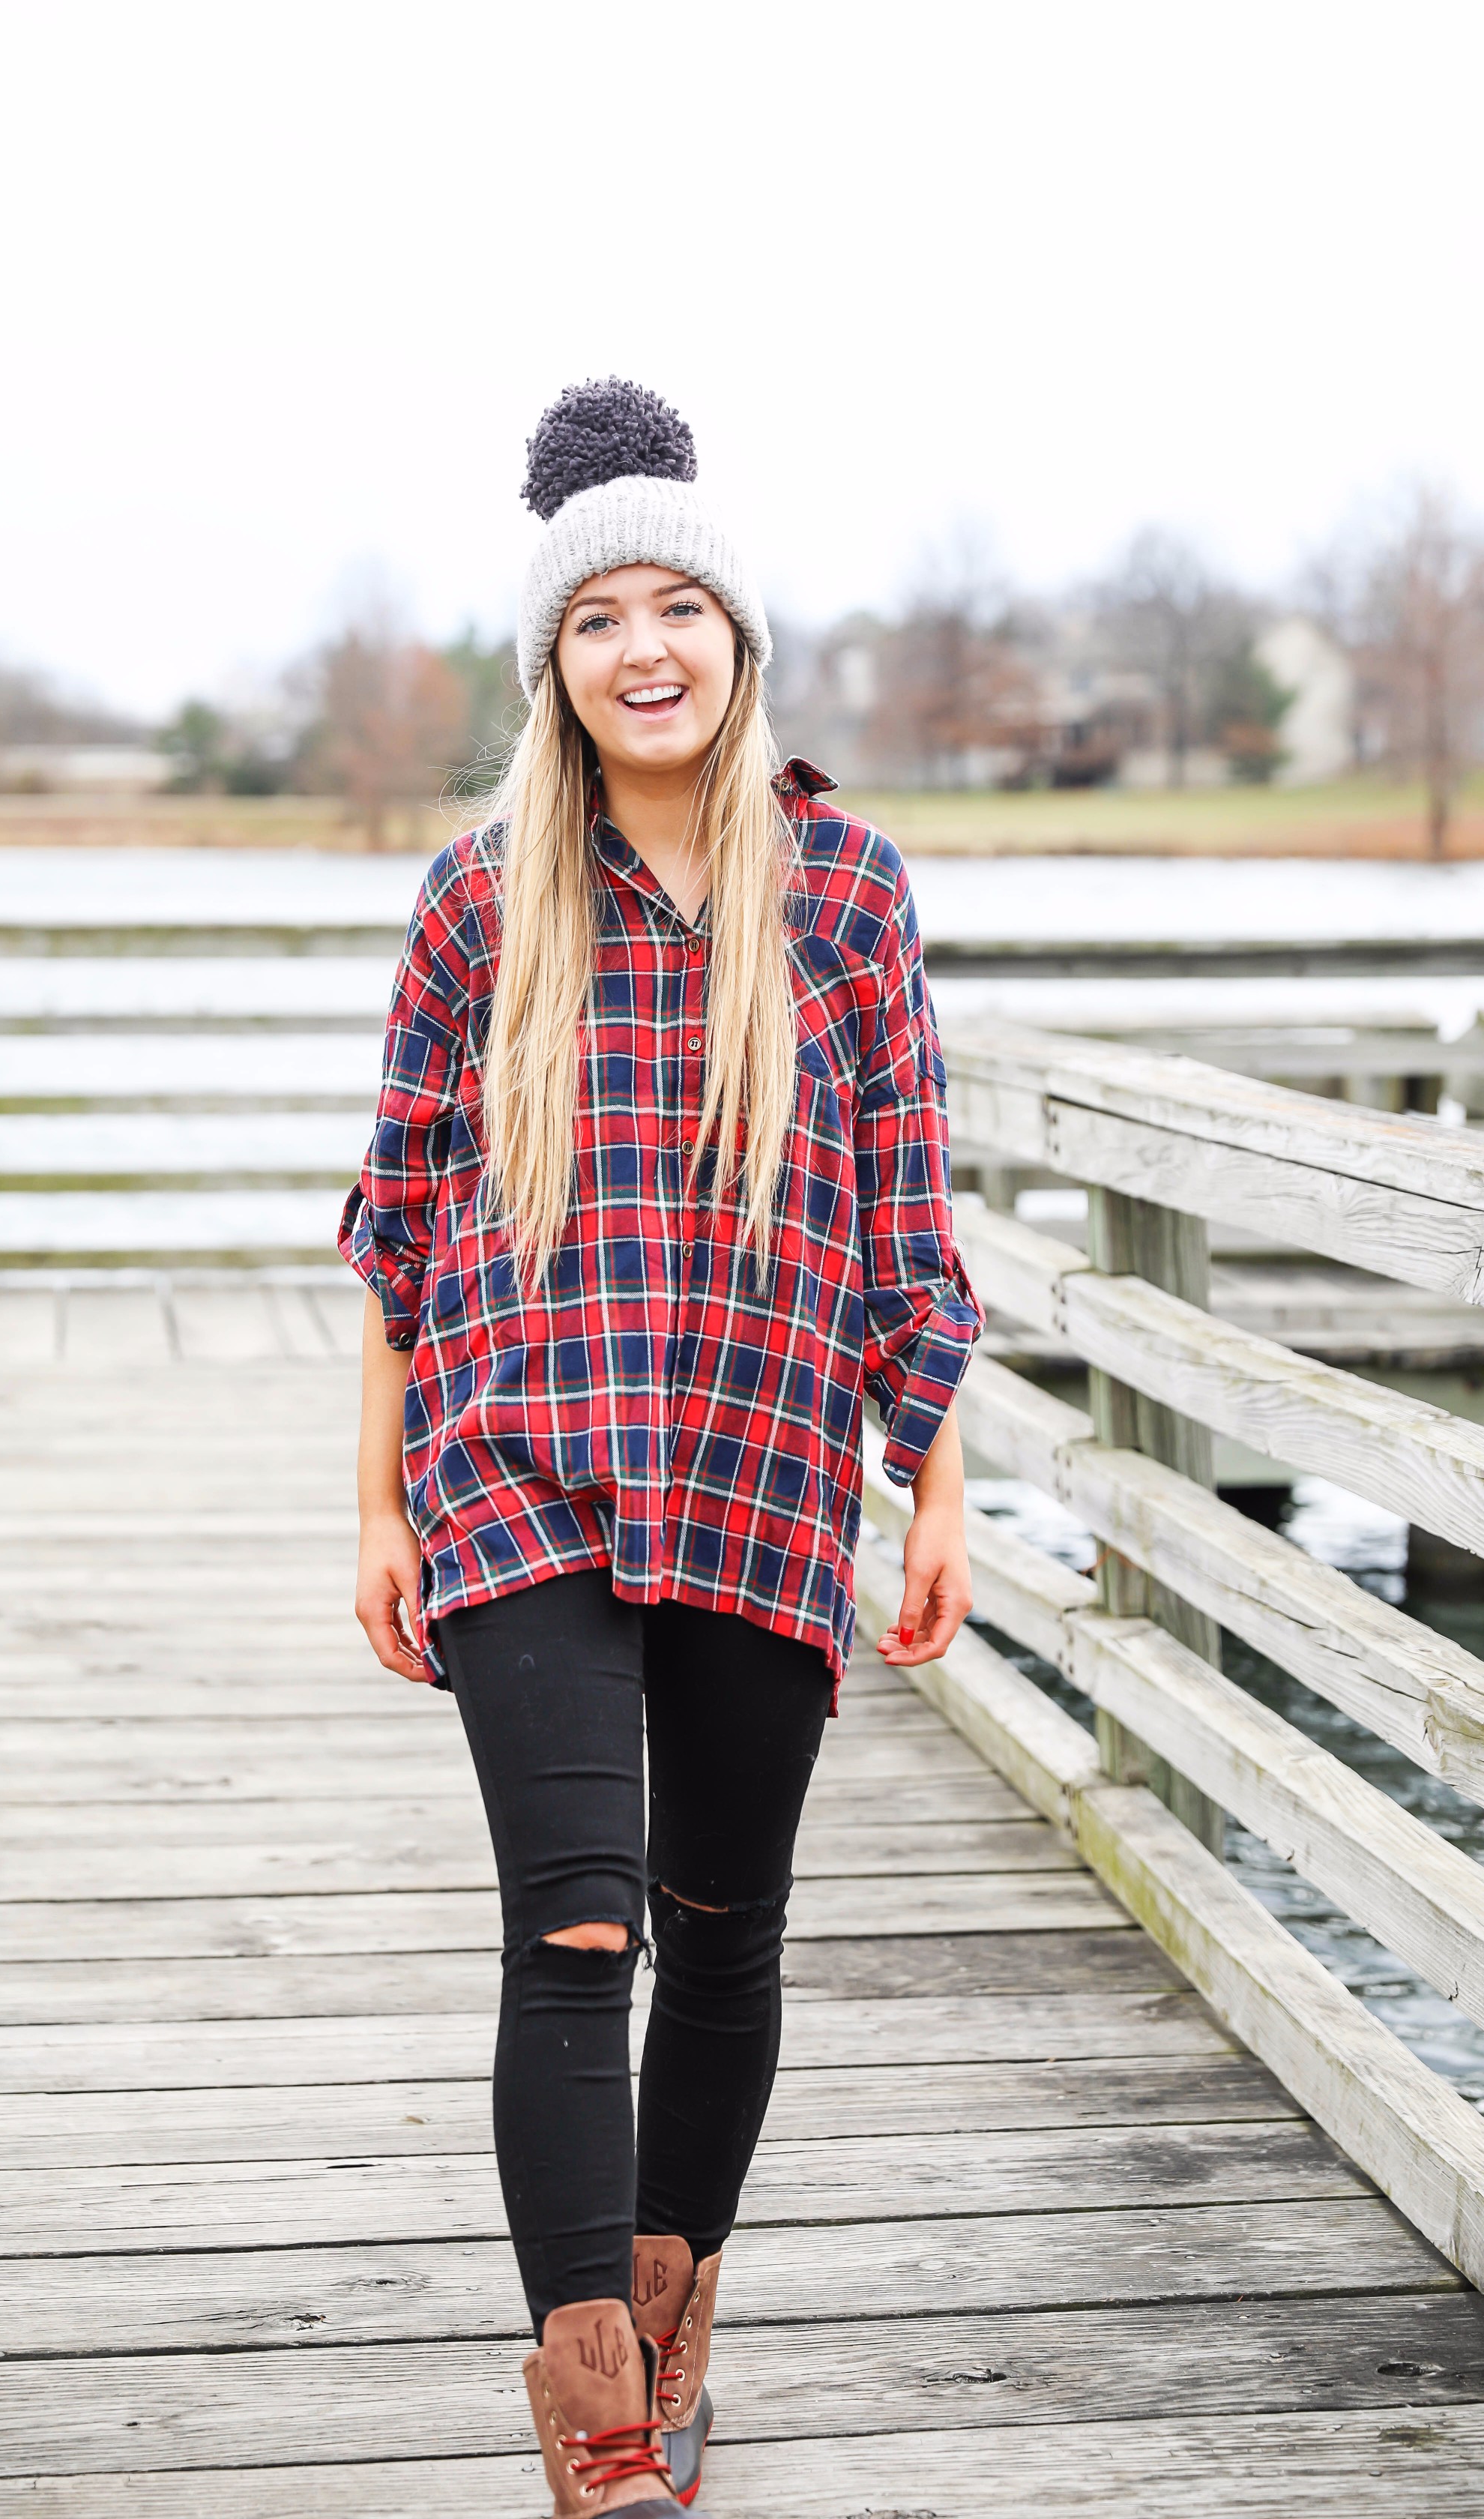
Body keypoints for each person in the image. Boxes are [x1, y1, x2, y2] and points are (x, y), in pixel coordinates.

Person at [343, 379, 982, 2515]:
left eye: (675, 607)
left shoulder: (851, 897)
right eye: (596, 614)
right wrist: (377, 1510)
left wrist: (935, 1485)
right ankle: (597, 2412)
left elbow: (909, 1210)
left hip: (759, 1471)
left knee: (723, 1927)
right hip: (520, 1469)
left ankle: (680, 2297)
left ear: (734, 637)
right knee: (578, 1928)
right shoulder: (476, 901)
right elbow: (401, 1226)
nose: (643, 647)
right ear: (555, 660)